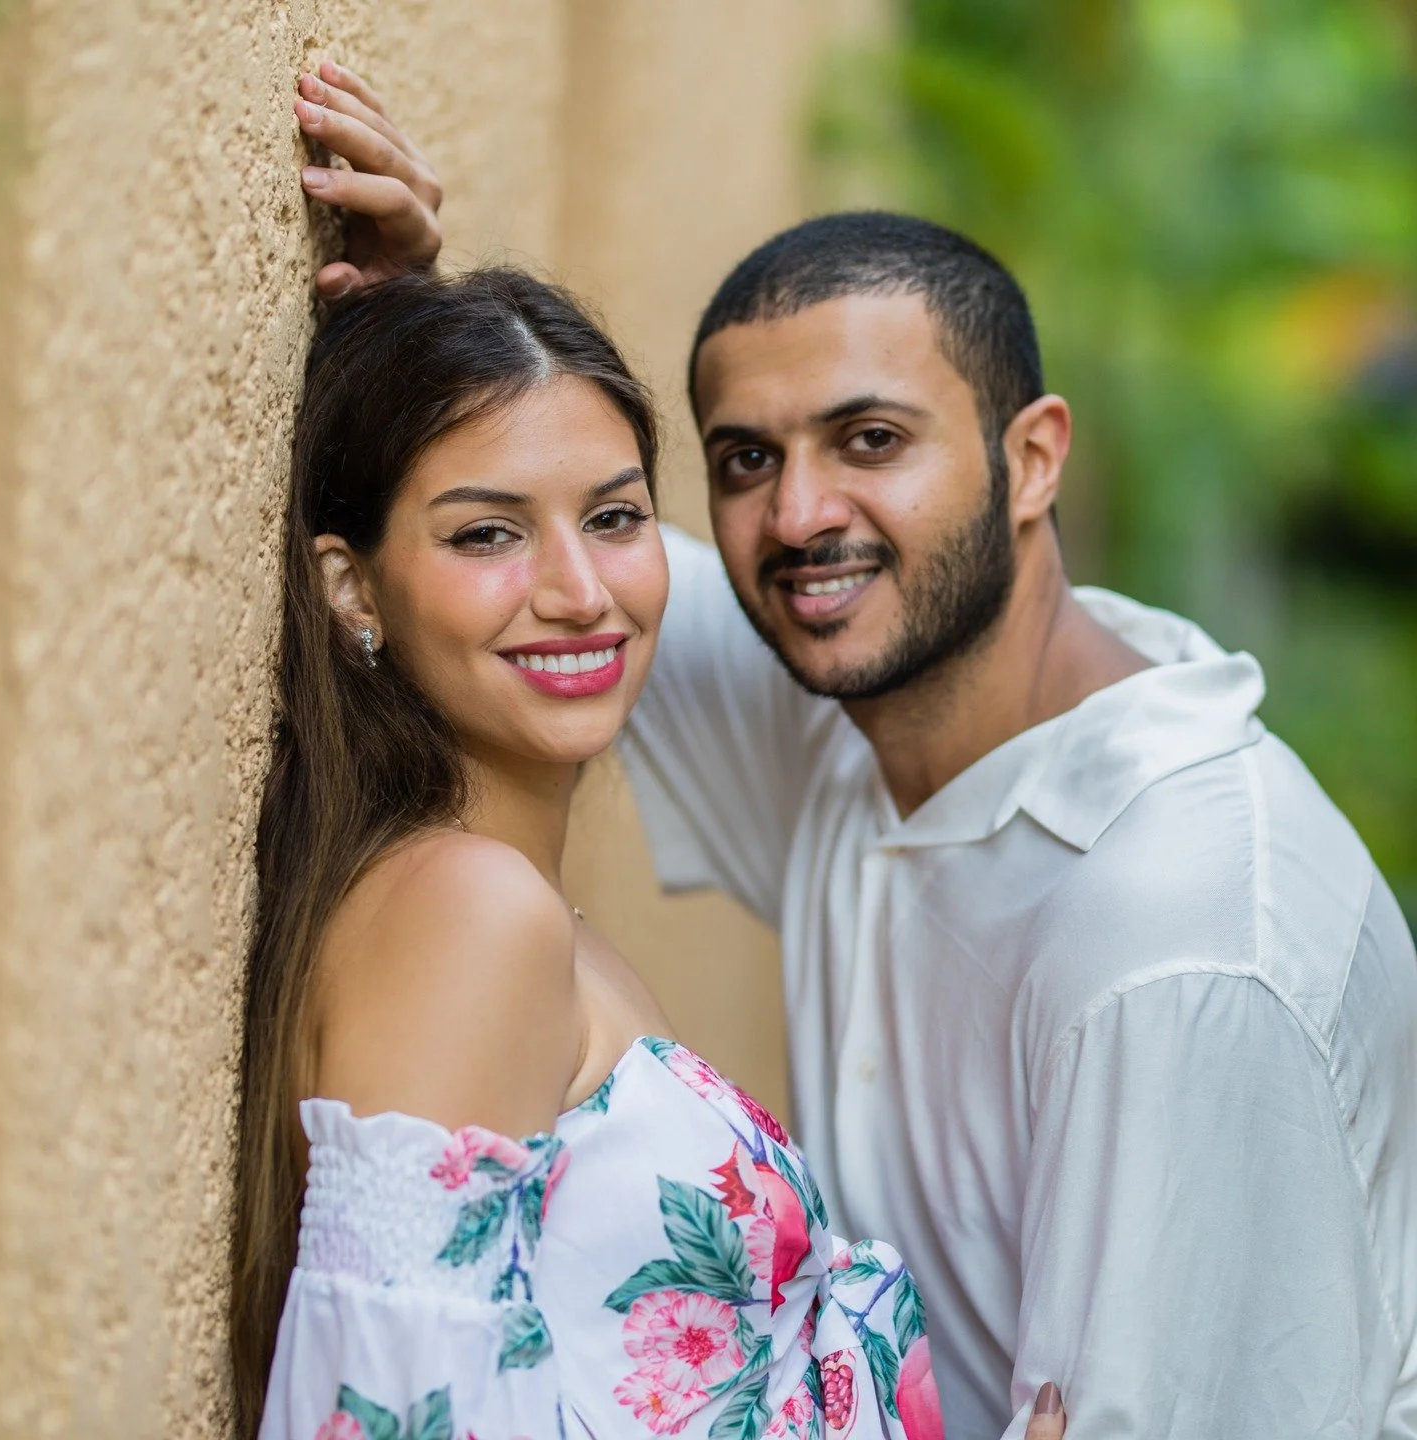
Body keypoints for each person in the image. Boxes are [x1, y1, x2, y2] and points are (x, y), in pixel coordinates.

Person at [288, 63, 1417, 1439]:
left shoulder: (1182, 943)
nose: (804, 513)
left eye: (871, 439)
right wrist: (426, 334)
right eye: (746, 460)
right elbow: (537, 592)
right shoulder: (847, 712)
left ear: (1036, 459)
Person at [229, 256, 1067, 1440]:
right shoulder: (470, 914)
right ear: (351, 587)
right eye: (487, 535)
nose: (580, 591)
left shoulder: (521, 911)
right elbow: (384, 1420)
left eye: (615, 518)